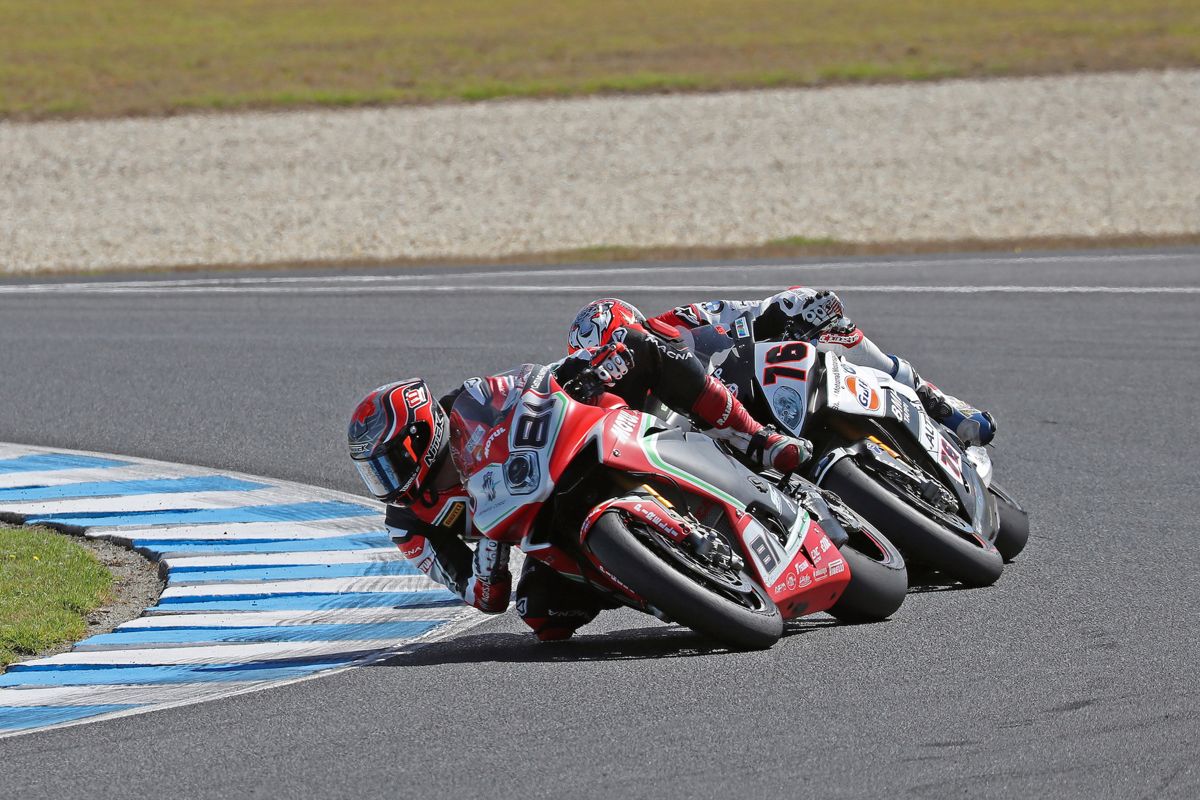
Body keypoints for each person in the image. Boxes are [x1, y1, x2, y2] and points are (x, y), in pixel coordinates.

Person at [347, 334, 811, 641]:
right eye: (374, 473)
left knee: (636, 342)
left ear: (421, 437)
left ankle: (756, 438)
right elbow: (480, 598)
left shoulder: (467, 401)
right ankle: (664, 587)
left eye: (389, 465)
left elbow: (530, 383)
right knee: (541, 616)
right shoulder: (409, 523)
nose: (385, 484)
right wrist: (489, 557)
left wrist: (580, 372)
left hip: (575, 443)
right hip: (540, 526)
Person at [569, 291, 996, 447]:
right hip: (719, 450)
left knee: (806, 306)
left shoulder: (674, 324)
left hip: (757, 388)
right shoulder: (608, 407)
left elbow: (743, 312)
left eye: (617, 346)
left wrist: (779, 315)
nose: (615, 365)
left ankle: (940, 407)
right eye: (602, 362)